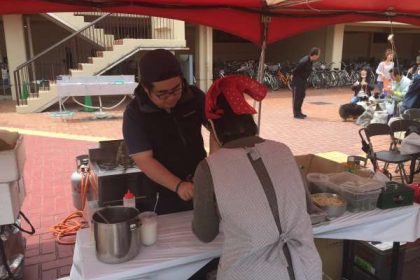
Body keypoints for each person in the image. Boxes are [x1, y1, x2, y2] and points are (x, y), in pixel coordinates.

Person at [192, 75, 322, 280]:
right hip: (307, 268)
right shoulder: (283, 151)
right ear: (249, 118)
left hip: (250, 273)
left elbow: (205, 233)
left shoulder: (209, 168)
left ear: (213, 127)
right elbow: (306, 206)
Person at [122, 49, 207, 215]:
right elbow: (144, 159)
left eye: (176, 89)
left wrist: (212, 167)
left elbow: (217, 128)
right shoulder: (135, 114)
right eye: (162, 94)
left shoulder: (194, 96)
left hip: (201, 181)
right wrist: (178, 185)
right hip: (162, 191)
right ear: (146, 88)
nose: (171, 97)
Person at [291, 47, 321, 119]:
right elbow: (295, 70)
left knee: (302, 96)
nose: (318, 57)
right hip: (298, 81)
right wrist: (292, 77)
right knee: (297, 97)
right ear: (314, 55)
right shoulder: (304, 61)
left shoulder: (310, 61)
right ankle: (296, 114)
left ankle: (299, 112)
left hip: (303, 80)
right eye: (318, 55)